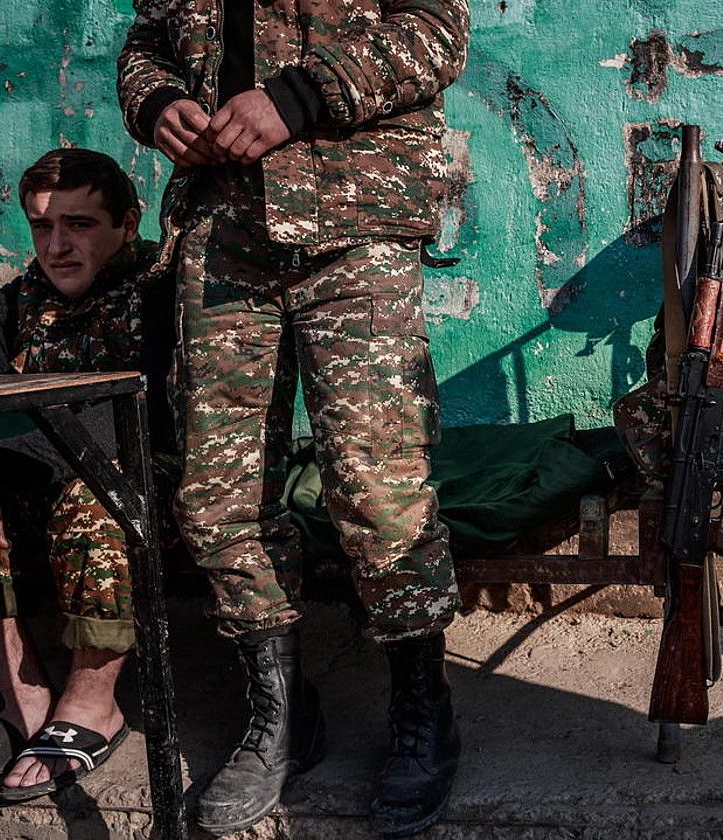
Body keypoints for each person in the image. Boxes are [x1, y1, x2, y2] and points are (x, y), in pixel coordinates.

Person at [118, 2, 470, 836]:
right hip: (222, 226)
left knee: (378, 486)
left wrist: (298, 97)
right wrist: (157, 100)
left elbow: (438, 29)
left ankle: (423, 713)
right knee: (218, 492)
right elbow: (146, 41)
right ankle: (279, 716)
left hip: (357, 218)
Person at [0, 148, 172, 802]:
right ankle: (22, 701)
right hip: (37, 479)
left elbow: (122, 424)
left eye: (78, 225)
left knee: (94, 498)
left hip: (150, 480)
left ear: (128, 224)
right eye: (42, 227)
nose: (57, 246)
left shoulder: (163, 294)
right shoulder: (18, 306)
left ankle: (92, 706)